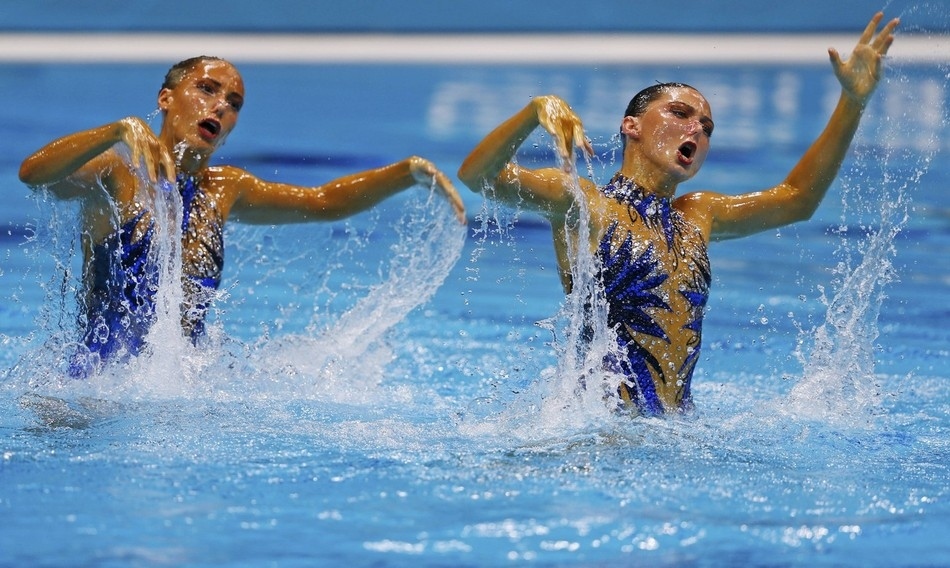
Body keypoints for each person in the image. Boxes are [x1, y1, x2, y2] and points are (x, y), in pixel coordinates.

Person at [457, 13, 898, 416]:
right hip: (597, 432)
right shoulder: (583, 203)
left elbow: (798, 198)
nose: (696, 130)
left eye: (706, 128)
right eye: (680, 113)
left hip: (677, 432)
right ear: (631, 125)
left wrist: (852, 102)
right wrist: (534, 112)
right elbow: (479, 176)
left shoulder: (697, 216)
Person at [19, 55, 466, 376]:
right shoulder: (118, 172)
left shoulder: (224, 187)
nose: (220, 107)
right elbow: (35, 175)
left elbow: (324, 202)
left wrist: (405, 173)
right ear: (167, 98)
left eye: (233, 103)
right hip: (97, 385)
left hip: (182, 389)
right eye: (207, 89)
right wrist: (112, 131)